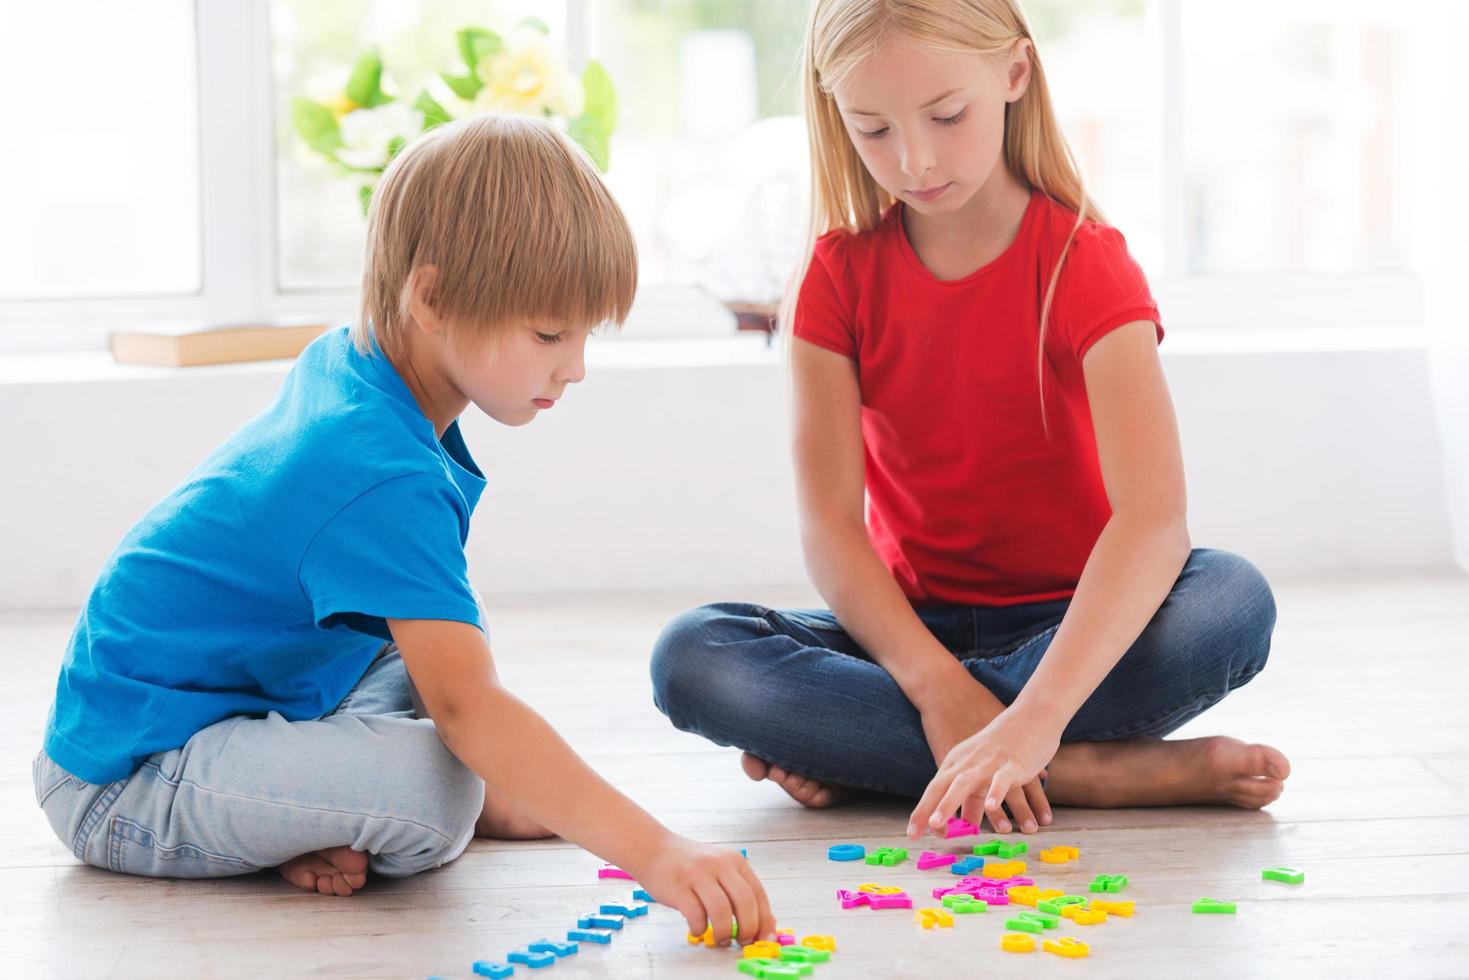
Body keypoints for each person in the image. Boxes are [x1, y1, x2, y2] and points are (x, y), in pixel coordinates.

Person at [35, 114, 771, 946]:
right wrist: (656, 851)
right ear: (431, 298)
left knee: (424, 647)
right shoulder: (375, 469)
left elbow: (448, 672)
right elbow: (465, 704)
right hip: (125, 777)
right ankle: (289, 814)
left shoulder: (361, 364)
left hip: (241, 701)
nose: (575, 366)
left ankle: (297, 810)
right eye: (547, 334)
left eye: (583, 334)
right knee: (441, 792)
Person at [651, 0, 1289, 840]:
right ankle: (1085, 772)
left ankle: (946, 749)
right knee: (695, 655)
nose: (914, 159)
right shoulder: (833, 279)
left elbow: (1152, 522)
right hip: (907, 632)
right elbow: (833, 532)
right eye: (872, 129)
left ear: (1014, 75)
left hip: (1078, 623)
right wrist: (933, 686)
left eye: (946, 116)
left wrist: (1034, 711)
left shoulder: (1084, 264)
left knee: (1232, 601)